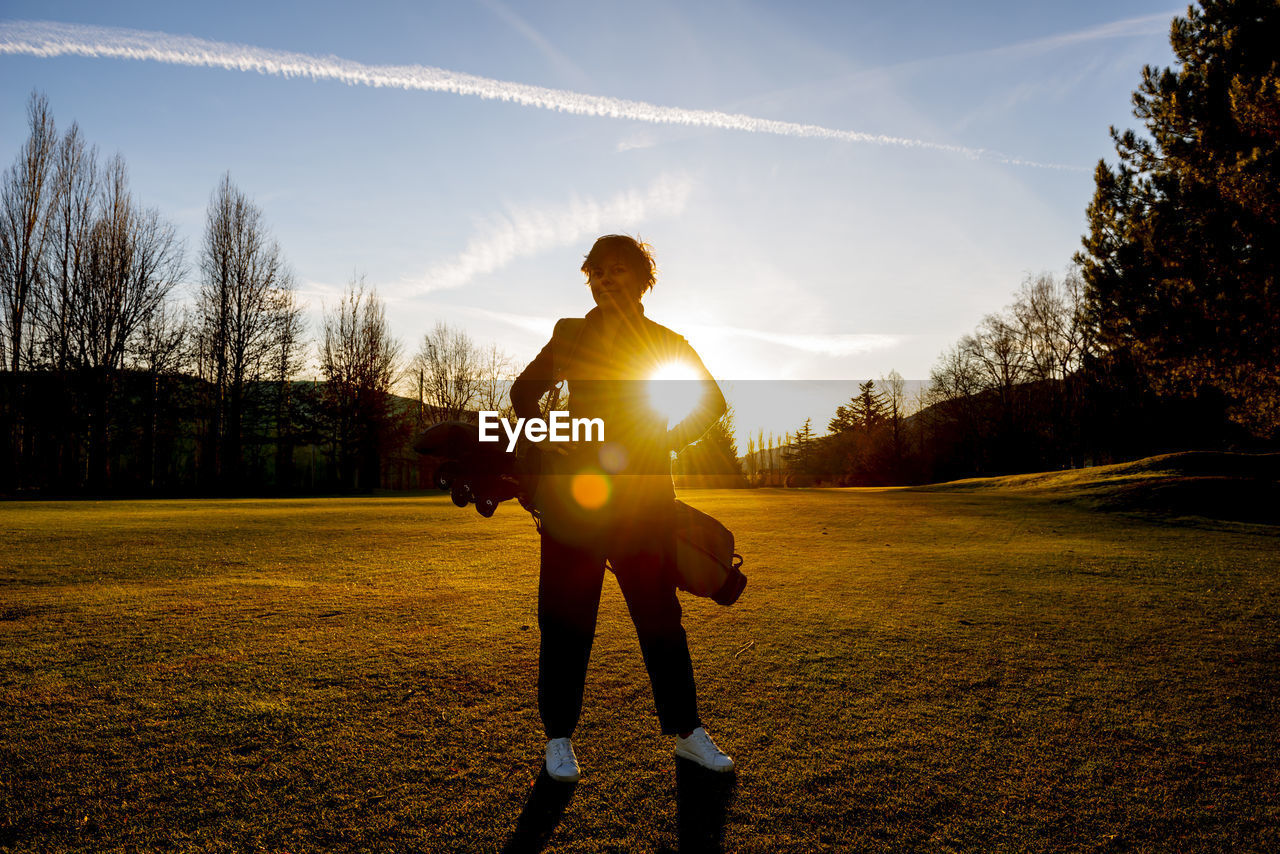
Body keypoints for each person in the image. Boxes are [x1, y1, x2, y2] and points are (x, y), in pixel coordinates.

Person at [510, 234, 734, 783]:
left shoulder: (665, 340)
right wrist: (552, 438)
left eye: (617, 271)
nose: (605, 281)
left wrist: (665, 442)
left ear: (642, 280)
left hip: (644, 504)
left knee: (660, 620)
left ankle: (688, 735)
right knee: (566, 622)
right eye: (597, 273)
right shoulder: (570, 334)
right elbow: (522, 393)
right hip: (575, 503)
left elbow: (712, 400)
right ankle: (559, 740)